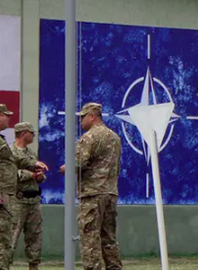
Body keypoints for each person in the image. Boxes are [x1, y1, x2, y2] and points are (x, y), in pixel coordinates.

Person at [0, 104, 48, 270]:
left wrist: (32, 163)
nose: (9, 119)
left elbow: (9, 162)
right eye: (6, 115)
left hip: (6, 195)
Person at [60, 102, 123, 270]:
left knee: (90, 238)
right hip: (110, 192)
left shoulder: (89, 137)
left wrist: (66, 168)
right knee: (108, 238)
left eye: (83, 117)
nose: (81, 122)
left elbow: (79, 163)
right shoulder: (115, 137)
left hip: (92, 195)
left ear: (92, 116)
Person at [9, 122, 46, 270]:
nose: (34, 135)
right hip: (17, 201)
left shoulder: (31, 153)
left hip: (33, 200)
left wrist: (39, 177)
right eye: (31, 132)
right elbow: (9, 174)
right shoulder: (10, 152)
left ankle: (34, 265)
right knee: (11, 236)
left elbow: (37, 175)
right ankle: (5, 265)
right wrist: (29, 174)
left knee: (35, 237)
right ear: (23, 133)